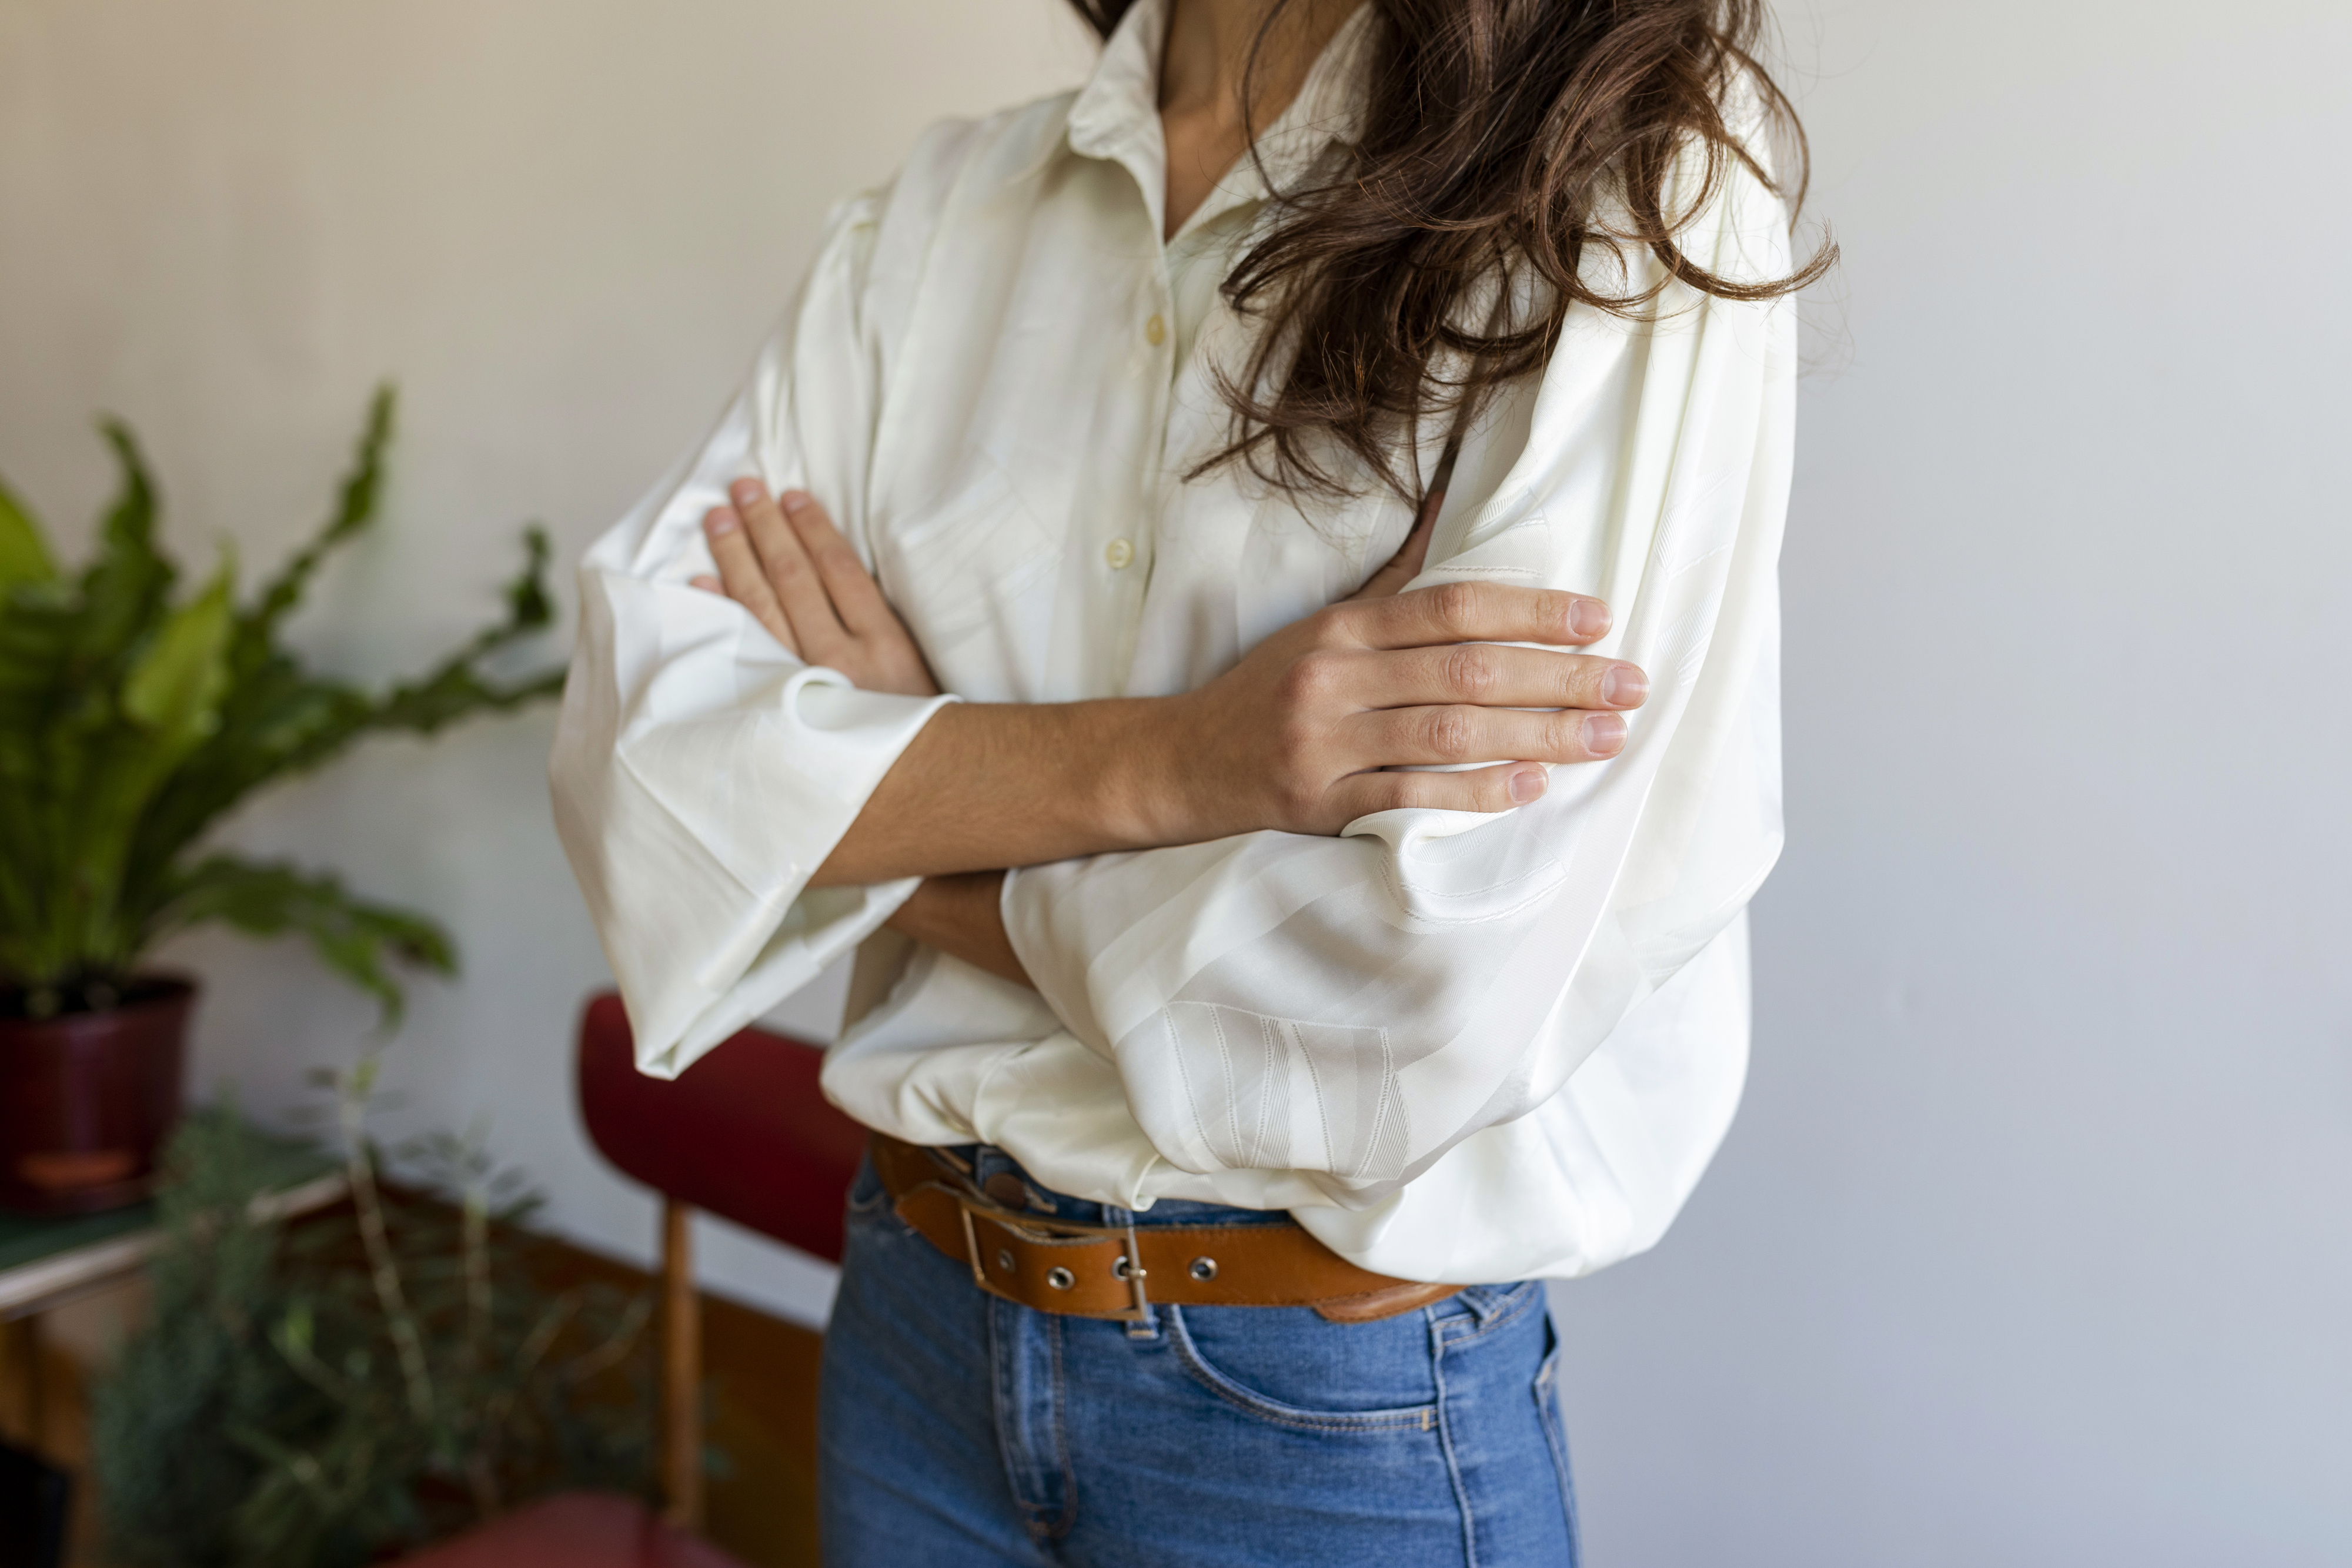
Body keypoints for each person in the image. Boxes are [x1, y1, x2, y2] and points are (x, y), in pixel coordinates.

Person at [550, 0, 1826, 1560]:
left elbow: (1414, 994)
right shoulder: (946, 213)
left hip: (1319, 1409)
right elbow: (647, 758)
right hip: (911, 1324)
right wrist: (1186, 762)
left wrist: (880, 801)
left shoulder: (1630, 177)